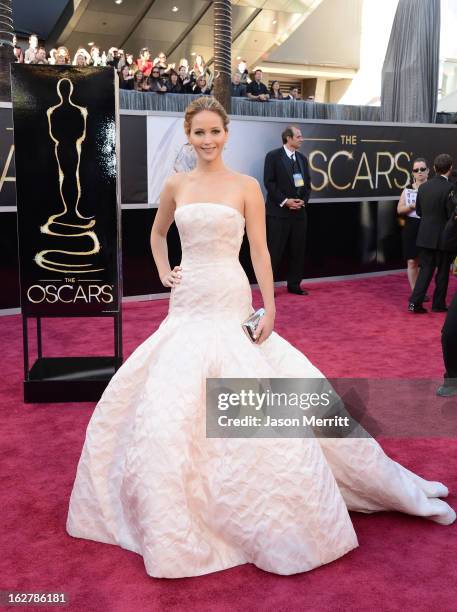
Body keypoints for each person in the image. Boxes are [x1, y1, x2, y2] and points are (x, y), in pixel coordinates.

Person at [66, 96, 455, 580]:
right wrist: (166, 271)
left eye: (214, 132)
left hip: (230, 298)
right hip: (187, 304)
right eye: (198, 133)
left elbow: (262, 253)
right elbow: (157, 232)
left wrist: (270, 307)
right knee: (171, 405)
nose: (207, 140)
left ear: (226, 134)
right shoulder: (175, 184)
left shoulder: (247, 185)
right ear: (188, 135)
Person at [263, 125, 311, 295]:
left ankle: (294, 285)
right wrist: (285, 201)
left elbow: (308, 185)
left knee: (298, 251)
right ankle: (268, 288)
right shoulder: (273, 156)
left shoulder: (303, 159)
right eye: (298, 136)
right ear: (288, 138)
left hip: (299, 213)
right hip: (278, 214)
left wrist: (301, 201)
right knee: (274, 251)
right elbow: (269, 183)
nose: (301, 139)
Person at [408, 154, 456, 313]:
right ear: (450, 169)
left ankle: (414, 303)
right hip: (444, 237)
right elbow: (451, 214)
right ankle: (438, 304)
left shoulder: (423, 187)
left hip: (425, 236)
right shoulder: (450, 188)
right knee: (442, 272)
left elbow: (419, 211)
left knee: (425, 271)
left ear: (434, 168)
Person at [397, 158, 429, 294]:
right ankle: (416, 293)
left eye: (422, 169)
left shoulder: (432, 188)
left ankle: (422, 291)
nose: (420, 172)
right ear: (413, 173)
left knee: (426, 262)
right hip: (412, 227)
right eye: (416, 170)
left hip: (428, 226)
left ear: (428, 171)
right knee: (411, 261)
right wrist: (410, 206)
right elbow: (399, 210)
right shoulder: (407, 190)